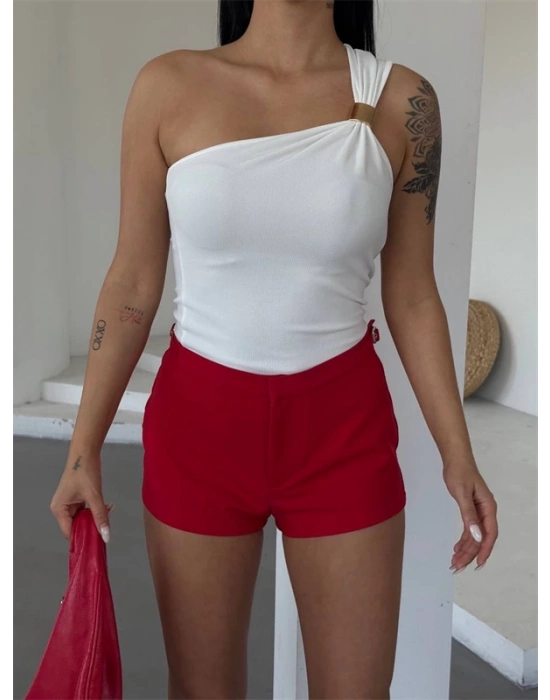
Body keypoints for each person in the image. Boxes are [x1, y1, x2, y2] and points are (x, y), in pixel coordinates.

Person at [50, 1, 499, 698]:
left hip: (342, 434)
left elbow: (412, 295)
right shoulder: (167, 86)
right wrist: (84, 451)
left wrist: (458, 453)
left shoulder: (402, 102)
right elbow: (132, 283)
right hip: (198, 430)